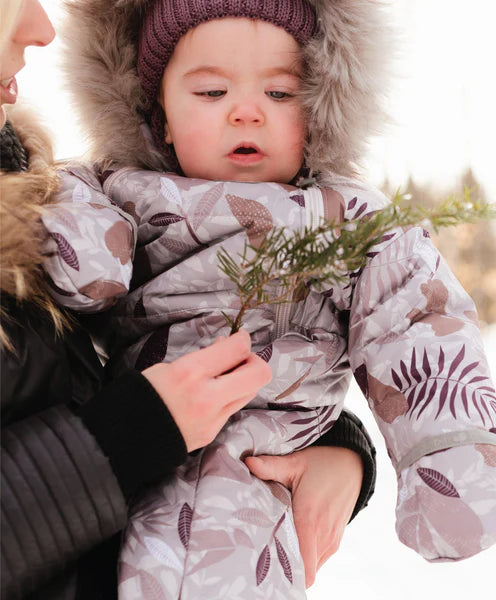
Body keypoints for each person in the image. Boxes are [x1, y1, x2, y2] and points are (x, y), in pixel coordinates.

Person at [41, 0, 496, 598]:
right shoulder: (115, 190)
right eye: (212, 91)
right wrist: (75, 235)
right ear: (159, 115)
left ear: (321, 111)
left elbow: (415, 314)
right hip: (135, 464)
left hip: (267, 470)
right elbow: (73, 249)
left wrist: (450, 450)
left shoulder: (347, 219)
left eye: (280, 94)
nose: (247, 112)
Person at [0, 2, 378, 599]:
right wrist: (124, 437)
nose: (41, 27)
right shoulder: (88, 202)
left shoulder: (40, 190)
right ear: (162, 115)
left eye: (282, 93)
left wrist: (331, 444)